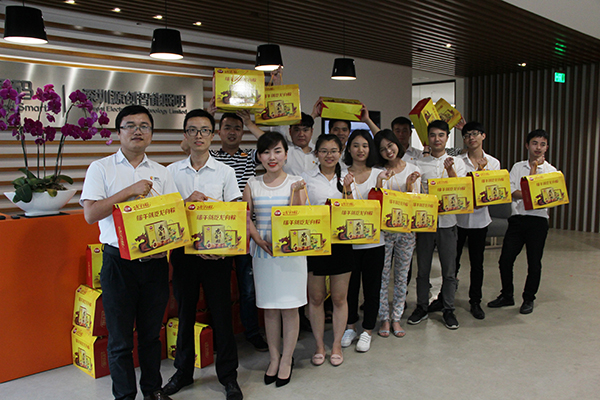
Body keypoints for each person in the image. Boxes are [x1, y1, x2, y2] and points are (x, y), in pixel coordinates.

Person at [80, 105, 177, 400]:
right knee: (120, 340)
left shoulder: (162, 172)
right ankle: (124, 396)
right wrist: (129, 191)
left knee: (150, 335)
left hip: (155, 263)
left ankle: (153, 391)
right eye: (130, 125)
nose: (137, 131)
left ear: (151, 134)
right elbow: (91, 214)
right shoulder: (100, 168)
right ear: (118, 132)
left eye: (144, 126)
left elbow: (172, 218)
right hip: (118, 263)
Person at [162, 109, 243, 400]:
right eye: (193, 130)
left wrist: (222, 250)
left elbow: (235, 214)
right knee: (184, 315)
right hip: (183, 255)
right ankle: (183, 372)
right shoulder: (170, 172)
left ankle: (229, 376)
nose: (199, 135)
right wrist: (185, 203)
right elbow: (166, 214)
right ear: (185, 135)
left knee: (222, 315)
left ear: (213, 135)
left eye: (205, 130)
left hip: (217, 257)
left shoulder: (225, 172)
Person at [243, 131, 308, 387]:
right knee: (269, 309)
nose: (272, 157)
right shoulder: (253, 183)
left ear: (286, 155)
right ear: (259, 156)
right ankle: (273, 358)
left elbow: (300, 219)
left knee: (290, 309)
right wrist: (258, 239)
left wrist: (295, 193)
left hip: (291, 256)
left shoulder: (297, 181)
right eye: (266, 152)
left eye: (277, 151)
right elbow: (246, 217)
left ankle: (287, 360)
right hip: (263, 254)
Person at [428, 122, 500, 320]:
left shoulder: (493, 163)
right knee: (452, 264)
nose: (471, 138)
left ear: (483, 136)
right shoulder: (456, 161)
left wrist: (482, 174)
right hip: (457, 221)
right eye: (467, 135)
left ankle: (475, 301)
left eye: (475, 134)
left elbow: (492, 191)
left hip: (480, 220)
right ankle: (443, 298)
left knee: (477, 263)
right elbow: (454, 188)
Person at [210, 111, 269, 352]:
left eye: (237, 128)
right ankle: (220, 337)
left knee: (248, 289)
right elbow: (186, 145)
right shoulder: (211, 157)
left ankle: (252, 332)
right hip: (219, 231)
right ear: (218, 132)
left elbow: (267, 142)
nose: (232, 132)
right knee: (219, 290)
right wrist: (209, 114)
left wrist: (249, 122)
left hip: (247, 230)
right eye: (227, 127)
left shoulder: (249, 156)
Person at [487, 129, 556, 314]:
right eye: (534, 143)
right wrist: (532, 194)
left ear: (547, 147)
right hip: (517, 219)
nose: (538, 147)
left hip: (538, 221)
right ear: (527, 145)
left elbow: (550, 197)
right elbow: (510, 192)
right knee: (505, 260)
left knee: (534, 262)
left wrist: (525, 192)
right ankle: (507, 295)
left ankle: (529, 298)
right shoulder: (517, 167)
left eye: (542, 144)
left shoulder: (551, 171)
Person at [302, 134, 355, 367]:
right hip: (315, 243)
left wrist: (348, 189)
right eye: (324, 151)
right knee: (315, 298)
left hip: (341, 243)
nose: (329, 155)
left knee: (339, 297)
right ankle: (319, 346)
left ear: (341, 153)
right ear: (317, 154)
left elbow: (354, 211)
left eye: (334, 151)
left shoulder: (348, 177)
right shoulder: (306, 178)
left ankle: (336, 345)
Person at [407, 120, 466, 330]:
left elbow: (460, 192)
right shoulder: (419, 164)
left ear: (447, 137)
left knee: (449, 270)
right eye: (433, 135)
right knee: (423, 268)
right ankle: (421, 306)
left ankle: (448, 309)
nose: (437, 139)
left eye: (441, 135)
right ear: (427, 138)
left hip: (448, 223)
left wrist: (451, 172)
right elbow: (415, 195)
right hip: (425, 224)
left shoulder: (457, 162)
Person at [340, 130, 387, 352]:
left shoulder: (380, 173)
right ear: (349, 149)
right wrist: (346, 188)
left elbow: (385, 208)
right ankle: (350, 326)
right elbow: (340, 208)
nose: (361, 150)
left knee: (372, 287)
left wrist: (379, 184)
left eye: (365, 145)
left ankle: (367, 330)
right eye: (356, 145)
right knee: (349, 289)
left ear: (371, 149)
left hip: (375, 242)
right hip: (348, 243)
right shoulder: (340, 174)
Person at [373, 129, 421, 338]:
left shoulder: (413, 168)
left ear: (397, 144)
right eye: (383, 149)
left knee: (402, 276)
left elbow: (417, 203)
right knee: (382, 276)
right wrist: (380, 181)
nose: (388, 151)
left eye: (390, 145)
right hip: (383, 231)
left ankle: (397, 318)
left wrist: (409, 186)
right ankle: (384, 317)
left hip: (406, 232)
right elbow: (375, 201)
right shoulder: (377, 171)